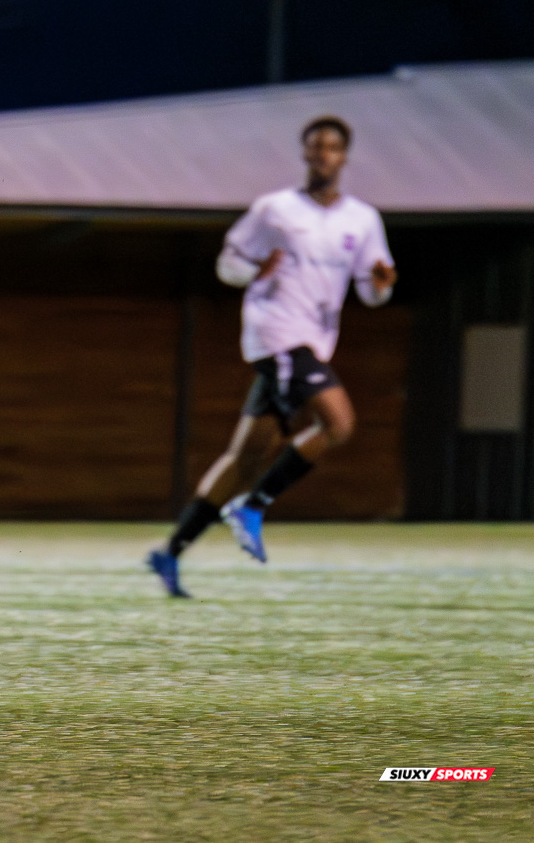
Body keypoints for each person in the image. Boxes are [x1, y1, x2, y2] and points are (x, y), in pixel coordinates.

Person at [148, 116, 396, 597]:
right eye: (315, 147)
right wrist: (252, 269)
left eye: (332, 148)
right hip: (278, 333)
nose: (323, 155)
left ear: (345, 156)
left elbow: (371, 289)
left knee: (244, 457)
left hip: (314, 341)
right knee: (338, 424)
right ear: (304, 154)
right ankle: (253, 506)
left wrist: (382, 286)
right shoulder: (274, 209)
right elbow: (228, 264)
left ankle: (171, 552)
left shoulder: (362, 220)